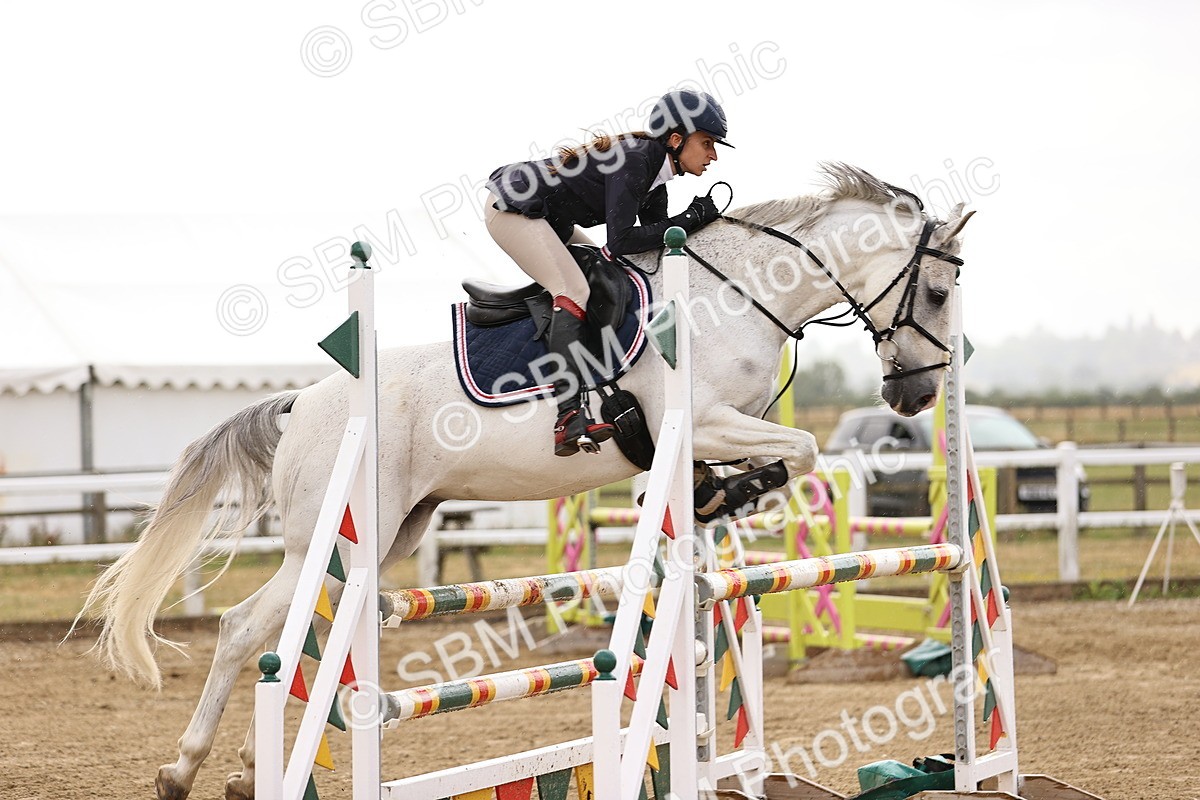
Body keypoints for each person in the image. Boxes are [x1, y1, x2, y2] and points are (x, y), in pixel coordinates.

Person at [483, 89, 733, 456]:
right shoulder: (636, 161)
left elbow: (652, 250)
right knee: (574, 290)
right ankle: (567, 416)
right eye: (708, 143)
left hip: (548, 216)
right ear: (676, 139)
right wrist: (691, 218)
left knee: (611, 276)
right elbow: (620, 241)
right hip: (514, 207)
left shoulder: (656, 177)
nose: (712, 155)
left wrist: (696, 227)